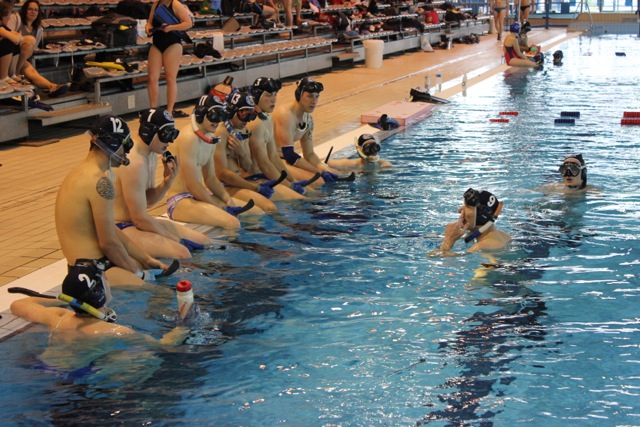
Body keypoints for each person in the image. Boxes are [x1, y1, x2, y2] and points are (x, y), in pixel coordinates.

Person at [55, 115, 171, 286]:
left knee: (145, 267)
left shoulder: (79, 173)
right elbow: (108, 243)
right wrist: (138, 274)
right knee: (157, 294)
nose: (127, 152)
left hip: (82, 267)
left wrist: (145, 259)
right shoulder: (101, 182)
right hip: (92, 271)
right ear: (114, 145)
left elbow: (111, 231)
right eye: (127, 145)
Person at [10, 261, 188, 370]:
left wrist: (64, 300)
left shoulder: (58, 316)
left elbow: (18, 305)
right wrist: (185, 324)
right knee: (146, 359)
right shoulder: (117, 331)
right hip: (76, 378)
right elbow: (164, 345)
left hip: (41, 366)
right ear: (99, 293)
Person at [113, 107, 212, 259]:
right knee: (182, 252)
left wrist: (167, 182)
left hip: (136, 222)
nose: (170, 141)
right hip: (118, 227)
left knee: (204, 241)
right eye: (166, 135)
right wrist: (176, 239)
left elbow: (147, 202)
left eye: (173, 134)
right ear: (149, 133)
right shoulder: (134, 163)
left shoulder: (150, 155)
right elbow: (139, 219)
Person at [166, 93, 261, 229]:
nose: (217, 121)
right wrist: (217, 206)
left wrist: (227, 199)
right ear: (200, 115)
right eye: (213, 116)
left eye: (221, 116)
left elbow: (210, 178)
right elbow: (192, 184)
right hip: (180, 200)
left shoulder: (210, 138)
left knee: (256, 212)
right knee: (232, 223)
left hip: (197, 195)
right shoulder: (189, 138)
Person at [213, 88, 277, 211]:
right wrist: (255, 188)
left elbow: (248, 167)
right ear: (232, 112)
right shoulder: (220, 133)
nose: (247, 121)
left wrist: (241, 152)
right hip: (224, 186)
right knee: (269, 207)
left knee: (278, 200)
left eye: (251, 116)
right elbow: (221, 173)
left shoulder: (243, 130)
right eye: (244, 115)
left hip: (239, 182)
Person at [272, 77, 341, 184]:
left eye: (317, 97)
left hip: (287, 160)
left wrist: (324, 169)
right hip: (274, 160)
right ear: (299, 95)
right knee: (319, 181)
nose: (314, 101)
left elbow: (309, 154)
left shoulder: (308, 119)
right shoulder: (285, 114)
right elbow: (289, 154)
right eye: (309, 96)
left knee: (338, 175)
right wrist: (319, 172)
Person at [247, 77, 307, 199]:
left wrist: (292, 180)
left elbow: (273, 157)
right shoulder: (255, 123)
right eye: (269, 95)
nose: (274, 99)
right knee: (300, 199)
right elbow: (263, 163)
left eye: (275, 94)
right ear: (256, 97)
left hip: (264, 175)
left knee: (307, 192)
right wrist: (289, 186)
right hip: (252, 178)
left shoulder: (267, 119)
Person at [145, 0, 193, 118]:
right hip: (157, 43)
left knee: (170, 78)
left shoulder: (175, 4)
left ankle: (169, 111)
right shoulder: (156, 4)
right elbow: (149, 22)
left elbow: (188, 23)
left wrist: (171, 27)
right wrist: (148, 27)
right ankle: (153, 110)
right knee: (152, 78)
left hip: (173, 44)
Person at [438, 188, 511, 254]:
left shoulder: (480, 247)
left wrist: (448, 241)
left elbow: (438, 257)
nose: (460, 210)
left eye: (467, 207)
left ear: (482, 215)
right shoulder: (505, 236)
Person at [328, 133, 392, 171]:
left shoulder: (384, 165)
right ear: (360, 150)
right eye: (368, 148)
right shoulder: (352, 164)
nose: (372, 152)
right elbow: (329, 162)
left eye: (375, 147)